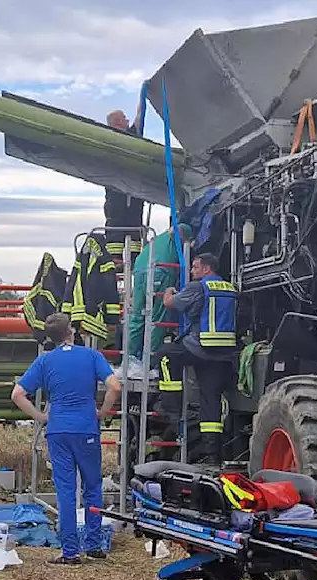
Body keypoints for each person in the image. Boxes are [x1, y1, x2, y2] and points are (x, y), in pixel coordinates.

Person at [11, 313, 121, 565]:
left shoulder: (45, 361)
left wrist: (41, 416)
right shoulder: (92, 355)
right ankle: (93, 545)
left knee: (66, 491)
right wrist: (102, 412)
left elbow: (18, 394)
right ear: (71, 331)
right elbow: (115, 386)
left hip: (58, 429)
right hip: (86, 428)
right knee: (92, 487)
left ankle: (70, 551)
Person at [157, 254, 238, 465]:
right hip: (224, 353)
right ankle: (211, 453)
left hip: (199, 347)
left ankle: (171, 408)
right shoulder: (231, 288)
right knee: (210, 399)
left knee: (166, 355)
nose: (192, 272)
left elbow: (169, 303)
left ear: (207, 269)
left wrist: (169, 291)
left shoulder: (198, 287)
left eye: (195, 267)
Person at [102, 110, 147, 259]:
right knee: (116, 221)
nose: (127, 121)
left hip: (133, 194)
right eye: (124, 118)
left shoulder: (131, 137)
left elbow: (139, 119)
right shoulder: (109, 140)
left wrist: (143, 93)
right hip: (117, 194)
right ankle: (115, 258)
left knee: (133, 223)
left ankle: (133, 256)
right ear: (117, 122)